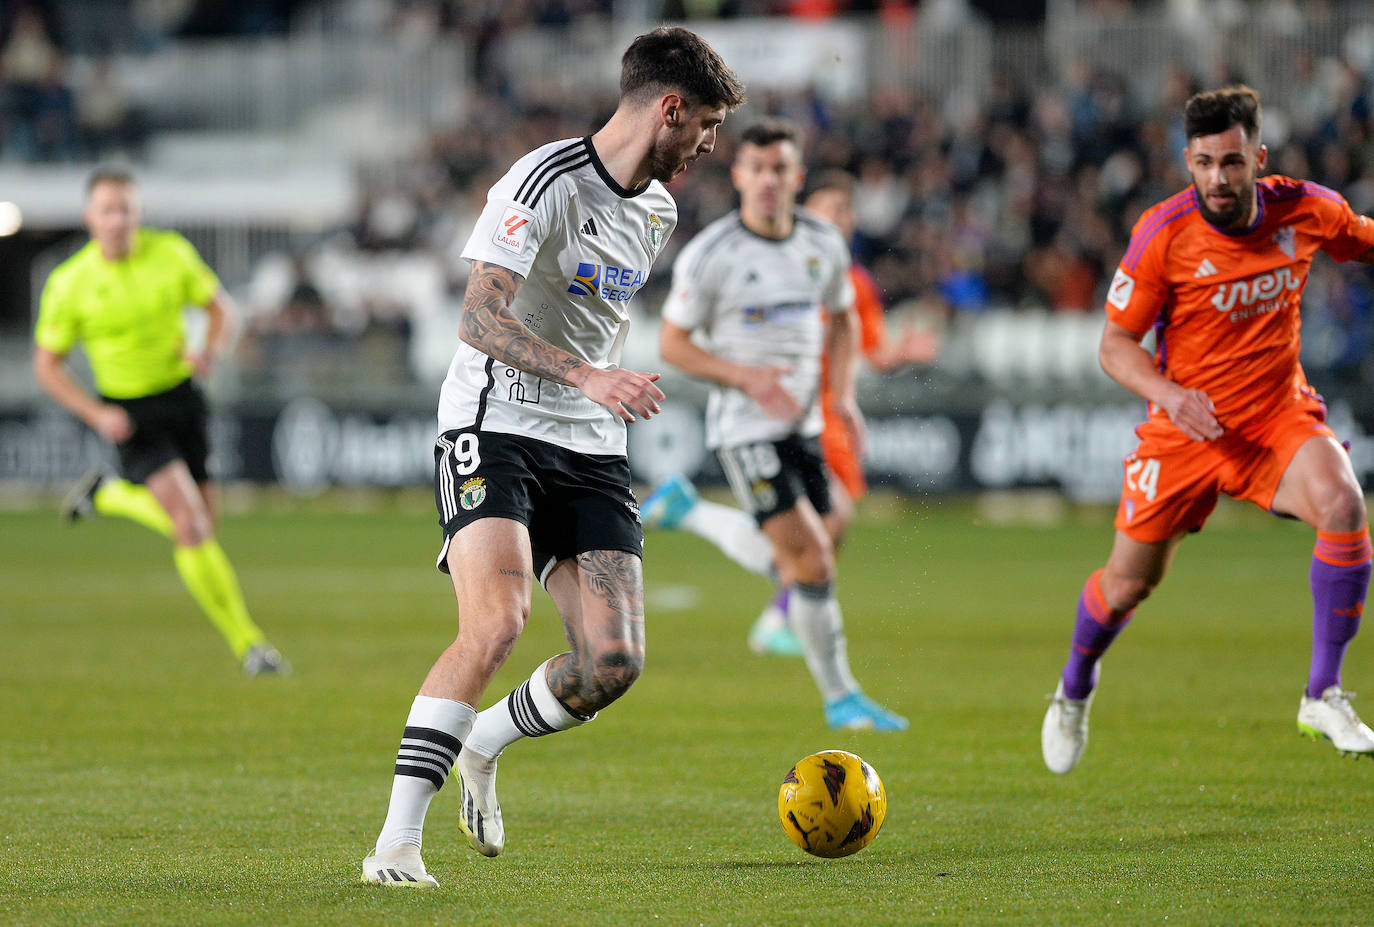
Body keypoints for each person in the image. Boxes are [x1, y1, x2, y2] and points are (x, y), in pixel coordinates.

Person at [361, 27, 744, 887]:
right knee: (496, 621)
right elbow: (478, 317)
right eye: (707, 126)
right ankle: (394, 845)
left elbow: (590, 315)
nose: (709, 147)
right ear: (669, 109)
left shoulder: (657, 210)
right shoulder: (543, 181)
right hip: (494, 420)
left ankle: (485, 742)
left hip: (591, 441)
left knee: (613, 664)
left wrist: (598, 387)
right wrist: (587, 373)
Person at [1041, 85, 1374, 774]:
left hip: (1276, 417)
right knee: (1128, 585)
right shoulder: (1164, 233)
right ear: (1186, 161)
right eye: (1201, 163)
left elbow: (1364, 241)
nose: (1216, 179)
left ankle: (1323, 692)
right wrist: (1170, 394)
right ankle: (1074, 687)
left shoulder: (1307, 210)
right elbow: (1114, 345)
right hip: (1182, 431)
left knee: (1344, 504)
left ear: (1259, 155)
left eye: (1229, 161)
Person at [652, 119, 907, 733]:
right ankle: (842, 698)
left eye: (780, 169)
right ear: (739, 175)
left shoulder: (821, 242)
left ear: (796, 177)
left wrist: (842, 395)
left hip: (807, 424)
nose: (768, 180)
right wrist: (745, 378)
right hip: (744, 429)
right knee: (812, 560)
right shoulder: (712, 254)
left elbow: (844, 319)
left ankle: (690, 512)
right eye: (757, 168)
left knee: (819, 544)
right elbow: (673, 345)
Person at [33, 168, 286, 677]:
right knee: (190, 526)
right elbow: (46, 364)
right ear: (90, 217)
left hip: (184, 401)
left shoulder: (170, 253)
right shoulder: (70, 282)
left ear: (138, 214)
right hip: (130, 415)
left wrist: (209, 350)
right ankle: (250, 645)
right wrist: (97, 413)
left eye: (126, 209)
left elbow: (222, 312)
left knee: (204, 527)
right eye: (108, 210)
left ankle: (107, 495)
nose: (118, 220)